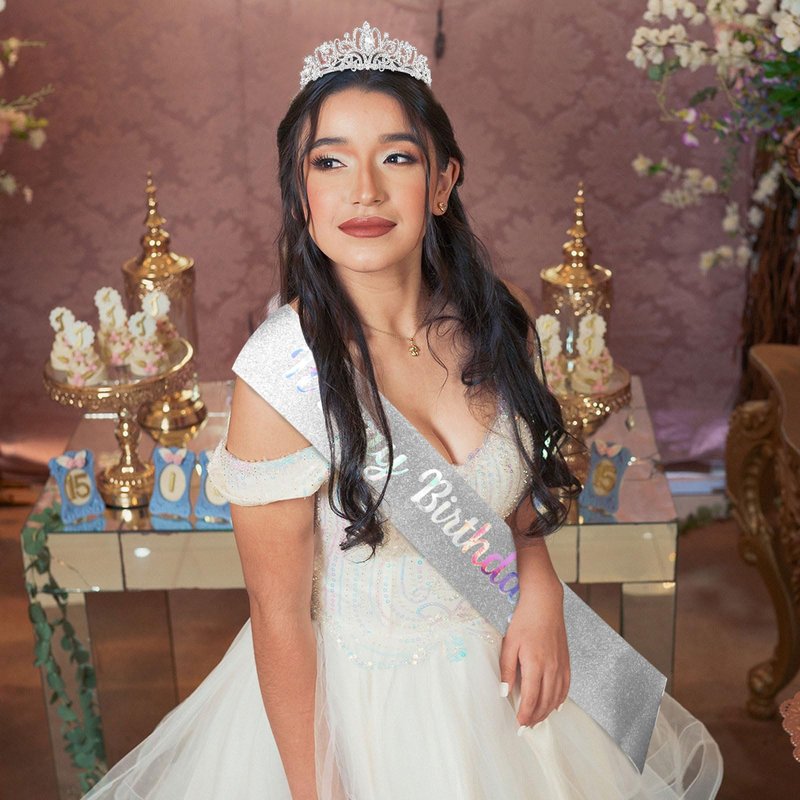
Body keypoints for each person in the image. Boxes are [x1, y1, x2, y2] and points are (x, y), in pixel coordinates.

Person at [84, 21, 723, 800]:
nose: (365, 190)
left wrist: (541, 586)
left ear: (443, 182)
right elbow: (279, 621)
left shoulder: (499, 317)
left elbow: (513, 511)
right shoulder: (280, 377)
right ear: (301, 193)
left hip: (512, 694)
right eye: (330, 162)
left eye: (396, 157)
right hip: (362, 717)